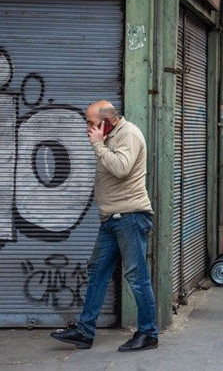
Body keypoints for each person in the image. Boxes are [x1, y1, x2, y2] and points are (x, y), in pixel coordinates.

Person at [50, 101, 158, 352]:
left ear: (107, 122)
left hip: (130, 217)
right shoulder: (111, 136)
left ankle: (148, 333)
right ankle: (85, 331)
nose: (88, 128)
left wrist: (98, 145)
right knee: (97, 272)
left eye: (91, 123)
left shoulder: (128, 134)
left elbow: (121, 169)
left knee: (137, 277)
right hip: (111, 218)